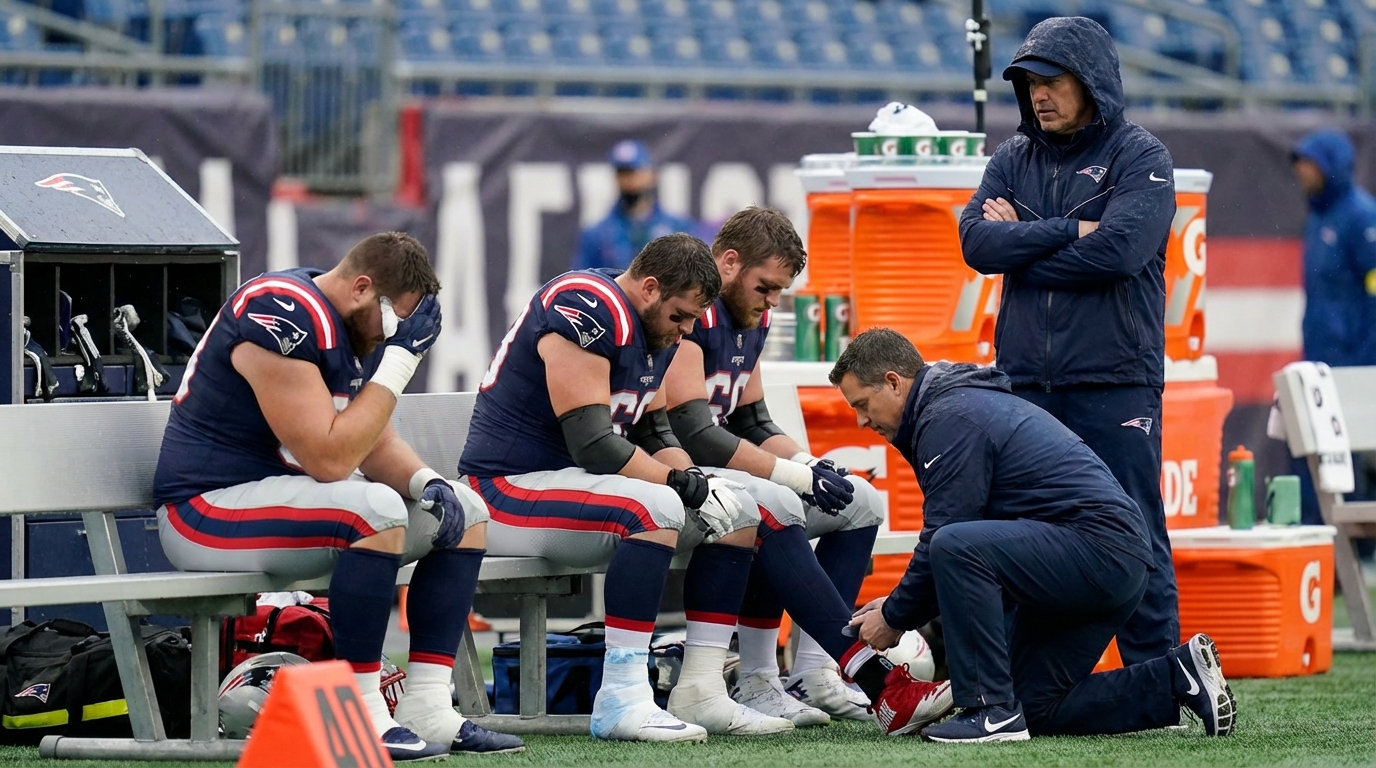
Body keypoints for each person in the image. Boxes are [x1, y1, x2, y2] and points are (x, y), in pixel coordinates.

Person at [152, 232, 525, 760]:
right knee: (372, 510)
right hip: (204, 508)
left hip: (276, 502)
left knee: (465, 512)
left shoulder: (350, 324)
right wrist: (398, 361)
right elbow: (329, 459)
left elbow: (369, 437)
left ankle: (427, 706)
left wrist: (427, 483)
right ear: (363, 288)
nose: (396, 339)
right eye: (396, 324)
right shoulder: (278, 311)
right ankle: (363, 711)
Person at [460, 233, 794, 742]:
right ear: (651, 287)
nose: (684, 333)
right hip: (505, 488)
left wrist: (700, 483)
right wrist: (682, 484)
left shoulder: (654, 327)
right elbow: (593, 444)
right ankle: (622, 695)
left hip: (572, 487)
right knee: (655, 505)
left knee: (739, 513)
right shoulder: (586, 304)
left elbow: (653, 433)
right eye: (680, 317)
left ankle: (702, 690)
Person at [833, 328, 1236, 743]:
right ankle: (1176, 677)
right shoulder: (955, 406)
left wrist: (895, 617)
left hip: (1098, 551)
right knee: (1034, 706)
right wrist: (899, 609)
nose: (861, 421)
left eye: (862, 404)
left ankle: (989, 712)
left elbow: (948, 534)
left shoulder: (948, 416)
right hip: (1106, 556)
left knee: (954, 543)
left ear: (894, 382)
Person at [957, 15, 1179, 667]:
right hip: (1025, 384)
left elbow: (1117, 253)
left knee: (1134, 530)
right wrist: (1068, 230)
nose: (1038, 96)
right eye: (1028, 85)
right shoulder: (1010, 159)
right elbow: (976, 244)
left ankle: (1158, 678)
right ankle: (1017, 681)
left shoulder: (1141, 157)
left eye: (1052, 81)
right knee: (1022, 535)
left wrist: (1021, 244)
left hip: (1116, 382)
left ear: (1092, 83)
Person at [660, 206, 888, 725]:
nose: (773, 302)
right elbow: (695, 432)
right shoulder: (689, 312)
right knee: (778, 500)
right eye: (765, 287)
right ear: (730, 263)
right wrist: (792, 475)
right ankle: (760, 675)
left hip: (722, 471)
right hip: (676, 472)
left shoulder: (750, 317)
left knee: (862, 501)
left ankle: (813, 670)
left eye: (780, 290)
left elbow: (753, 419)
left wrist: (811, 463)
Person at [1289, 129, 1376, 542]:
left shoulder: (1362, 217)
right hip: (1323, 360)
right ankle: (1329, 544)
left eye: (1309, 162)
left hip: (1357, 363)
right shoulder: (1318, 216)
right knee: (1324, 456)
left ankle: (1363, 553)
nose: (1302, 172)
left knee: (1360, 457)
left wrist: (1364, 356)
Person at [573, 139, 701, 271]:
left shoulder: (677, 227)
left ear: (652, 175)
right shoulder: (597, 233)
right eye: (622, 173)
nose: (628, 180)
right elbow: (583, 280)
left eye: (634, 172)